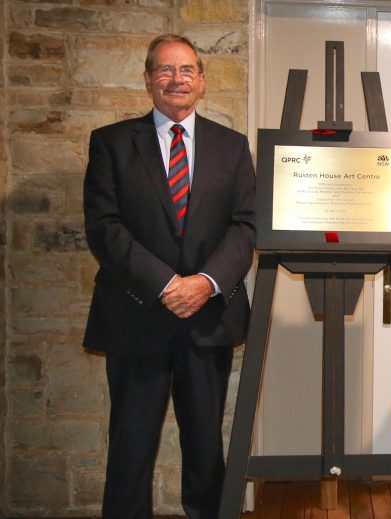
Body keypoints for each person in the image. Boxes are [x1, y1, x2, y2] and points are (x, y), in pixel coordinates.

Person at [82, 34, 256, 519]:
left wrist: (204, 283)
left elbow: (246, 225)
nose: (175, 79)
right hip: (136, 316)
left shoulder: (233, 146)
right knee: (131, 446)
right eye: (164, 70)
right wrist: (166, 285)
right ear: (147, 79)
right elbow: (104, 227)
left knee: (206, 446)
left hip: (208, 319)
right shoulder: (111, 144)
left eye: (185, 71)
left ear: (201, 81)